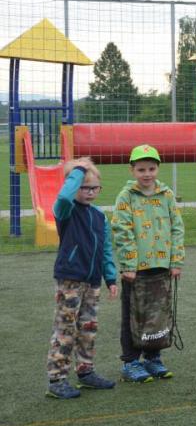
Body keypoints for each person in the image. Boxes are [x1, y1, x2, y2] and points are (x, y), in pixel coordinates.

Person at [44, 158, 119, 399]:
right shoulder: (65, 211)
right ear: (73, 186)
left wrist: (110, 277)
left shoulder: (99, 216)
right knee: (66, 329)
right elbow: (64, 197)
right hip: (70, 280)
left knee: (88, 328)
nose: (89, 192)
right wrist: (78, 169)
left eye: (94, 187)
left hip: (93, 281)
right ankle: (57, 380)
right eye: (83, 187)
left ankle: (86, 372)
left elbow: (105, 249)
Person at [112, 144, 184, 381]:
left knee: (158, 314)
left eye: (151, 169)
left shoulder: (167, 195)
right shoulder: (126, 197)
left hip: (161, 266)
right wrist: (128, 265)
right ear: (132, 170)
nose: (147, 174)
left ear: (158, 168)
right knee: (133, 316)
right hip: (136, 270)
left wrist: (176, 261)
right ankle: (131, 362)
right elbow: (122, 230)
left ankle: (153, 358)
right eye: (141, 169)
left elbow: (177, 228)